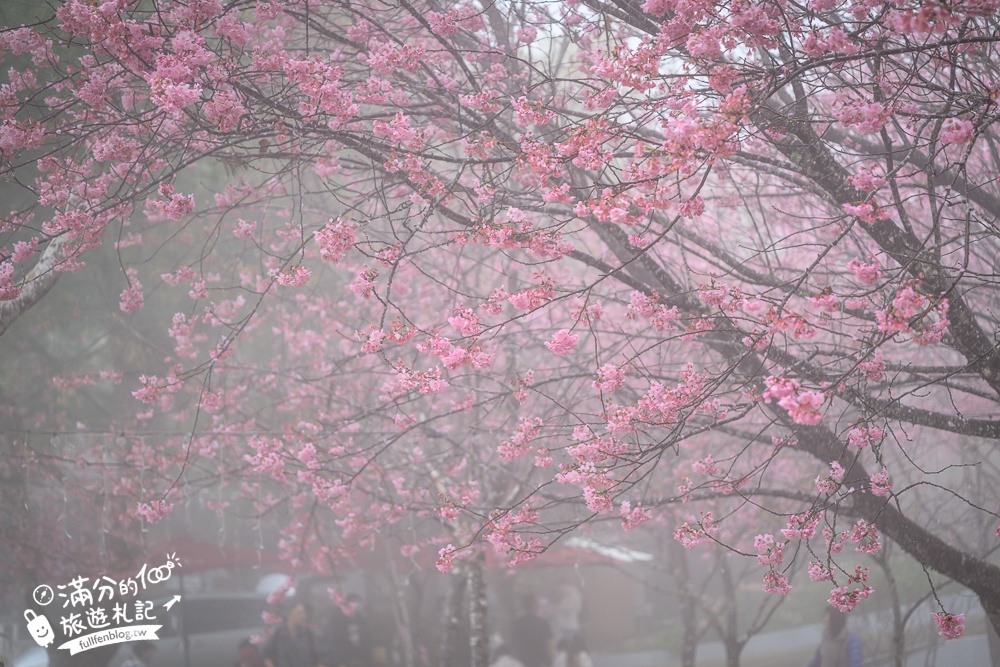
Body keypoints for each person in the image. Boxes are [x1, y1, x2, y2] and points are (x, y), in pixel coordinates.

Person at [263, 602, 323, 667]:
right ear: (289, 615)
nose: (304, 616)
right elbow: (267, 655)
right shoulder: (279, 633)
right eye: (300, 613)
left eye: (304, 613)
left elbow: (320, 658)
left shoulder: (309, 633)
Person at [324, 594, 371, 667]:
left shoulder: (362, 620)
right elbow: (335, 641)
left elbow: (367, 640)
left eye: (358, 602)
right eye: (354, 602)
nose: (357, 605)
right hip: (345, 660)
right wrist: (340, 662)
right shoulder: (338, 621)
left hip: (361, 659)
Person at [509, 594, 553, 667]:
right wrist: (551, 661)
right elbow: (549, 645)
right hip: (541, 661)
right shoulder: (542, 623)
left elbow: (514, 645)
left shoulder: (517, 623)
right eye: (537, 603)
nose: (539, 605)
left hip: (523, 661)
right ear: (533, 605)